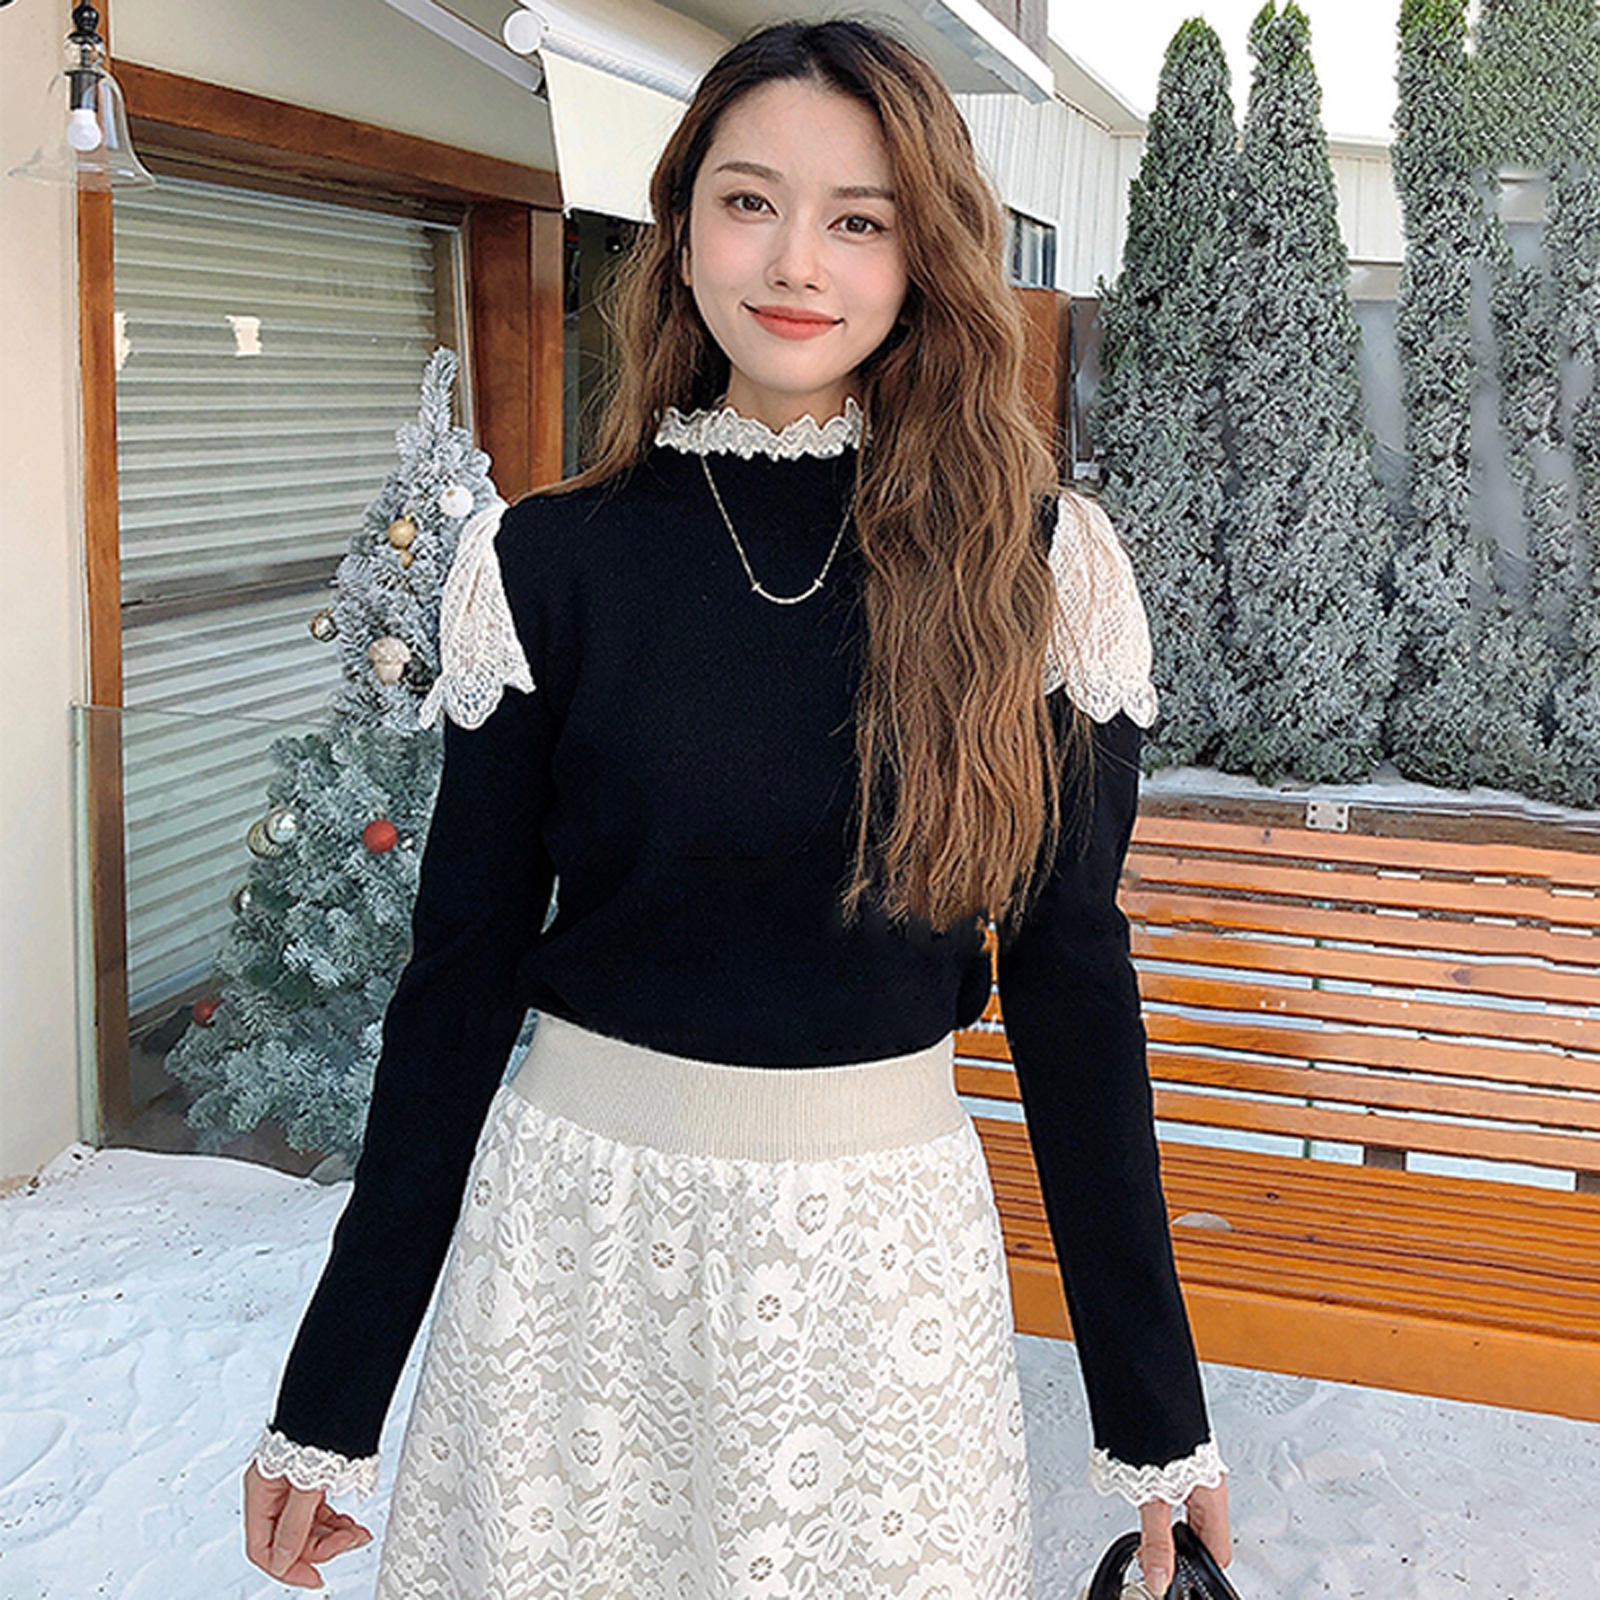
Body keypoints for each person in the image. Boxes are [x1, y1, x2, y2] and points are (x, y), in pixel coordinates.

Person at [240, 16, 1232, 1598]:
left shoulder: (1039, 571)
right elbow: (456, 985)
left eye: (860, 218)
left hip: (877, 1269)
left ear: (925, 255)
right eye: (749, 201)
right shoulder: (543, 563)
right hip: (573, 1253)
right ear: (683, 222)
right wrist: (329, 1404)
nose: (796, 261)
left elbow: (1072, 992)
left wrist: (1158, 1426)